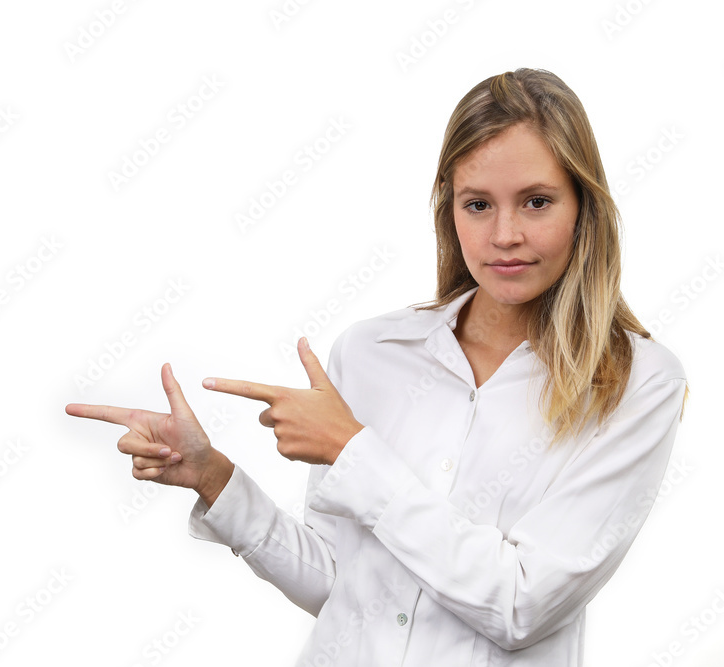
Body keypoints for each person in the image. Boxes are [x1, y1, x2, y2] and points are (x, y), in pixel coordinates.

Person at [66, 68, 690, 666]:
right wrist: (214, 478)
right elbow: (341, 585)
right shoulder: (371, 352)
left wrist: (352, 450)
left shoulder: (638, 384)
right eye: (477, 204)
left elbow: (521, 606)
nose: (504, 234)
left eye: (535, 202)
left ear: (584, 206)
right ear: (449, 209)